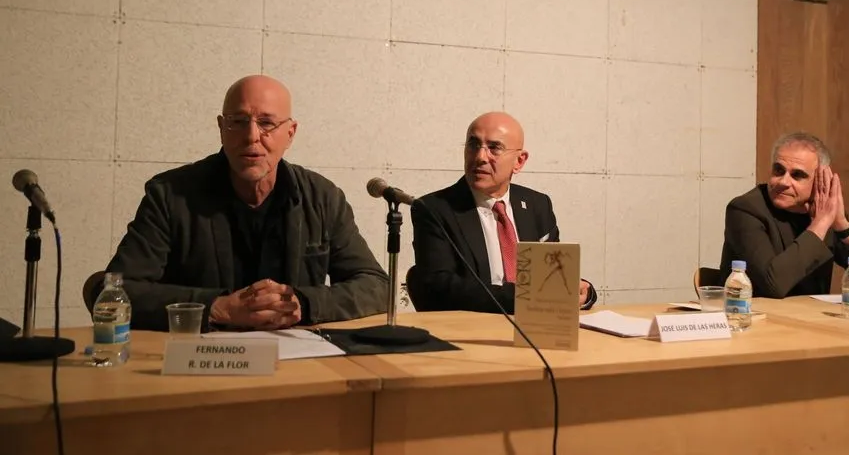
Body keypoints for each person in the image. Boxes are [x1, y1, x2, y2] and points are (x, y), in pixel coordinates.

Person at [104, 75, 388, 331]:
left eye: (266, 123)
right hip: (202, 357)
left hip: (296, 356)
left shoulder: (322, 197)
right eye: (238, 122)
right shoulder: (171, 196)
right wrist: (218, 308)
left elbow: (376, 286)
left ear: (290, 133)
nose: (251, 136)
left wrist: (302, 303)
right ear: (221, 128)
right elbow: (114, 292)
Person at [407, 112, 597, 313]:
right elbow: (440, 288)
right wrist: (526, 297)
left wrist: (581, 292)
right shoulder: (434, 209)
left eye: (494, 148)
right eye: (473, 145)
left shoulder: (537, 205)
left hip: (535, 323)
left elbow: (551, 276)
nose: (480, 157)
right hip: (472, 325)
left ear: (519, 161)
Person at [719, 132, 849, 298]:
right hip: (754, 312)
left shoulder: (825, 213)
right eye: (779, 170)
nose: (784, 182)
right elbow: (773, 285)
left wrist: (843, 226)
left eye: (797, 175)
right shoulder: (745, 210)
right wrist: (820, 224)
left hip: (809, 312)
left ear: (820, 181)